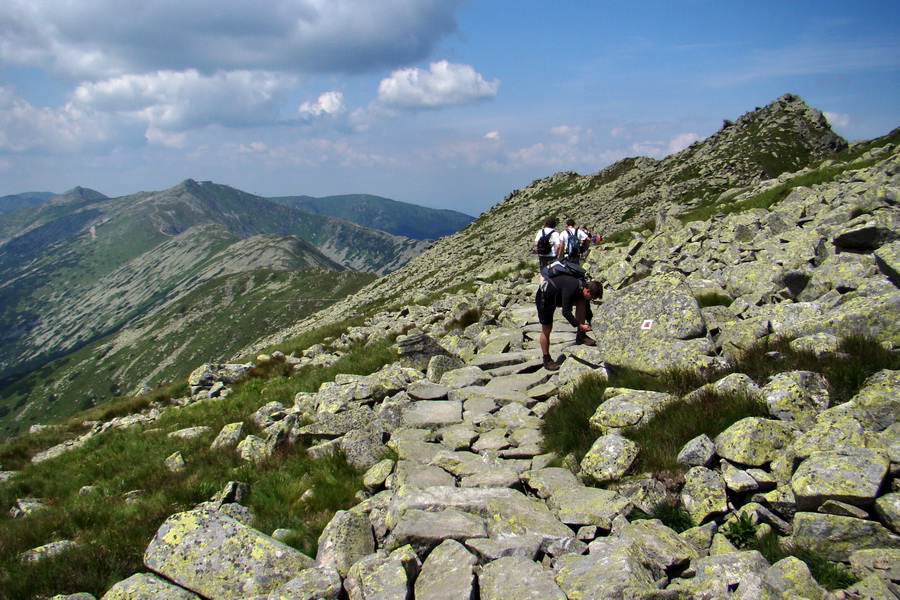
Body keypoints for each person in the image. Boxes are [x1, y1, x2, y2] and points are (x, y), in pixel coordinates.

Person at [535, 274, 603, 371]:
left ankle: (581, 336)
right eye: (592, 298)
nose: (591, 300)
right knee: (547, 328)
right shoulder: (572, 287)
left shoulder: (583, 289)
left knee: (582, 302)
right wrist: (580, 325)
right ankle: (546, 359)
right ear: (588, 290)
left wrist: (597, 328)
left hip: (559, 296)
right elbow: (566, 312)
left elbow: (588, 312)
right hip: (545, 298)